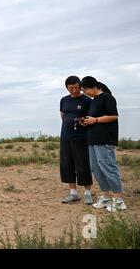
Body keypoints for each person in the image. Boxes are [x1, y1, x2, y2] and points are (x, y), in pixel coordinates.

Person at [80, 76, 126, 212]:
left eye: (85, 89)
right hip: (92, 139)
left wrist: (95, 120)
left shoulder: (107, 97)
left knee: (108, 166)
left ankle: (119, 199)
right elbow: (94, 118)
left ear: (93, 86)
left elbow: (113, 116)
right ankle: (105, 196)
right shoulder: (94, 101)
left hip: (105, 139)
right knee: (96, 168)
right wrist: (87, 121)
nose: (85, 93)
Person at [59, 76, 93, 205]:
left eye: (76, 87)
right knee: (67, 165)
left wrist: (84, 122)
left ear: (80, 86)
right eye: (70, 88)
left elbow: (91, 117)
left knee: (83, 164)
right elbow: (63, 115)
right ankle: (73, 193)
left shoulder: (87, 100)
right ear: (67, 88)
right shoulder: (64, 100)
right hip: (65, 137)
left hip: (81, 137)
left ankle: (87, 193)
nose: (73, 90)